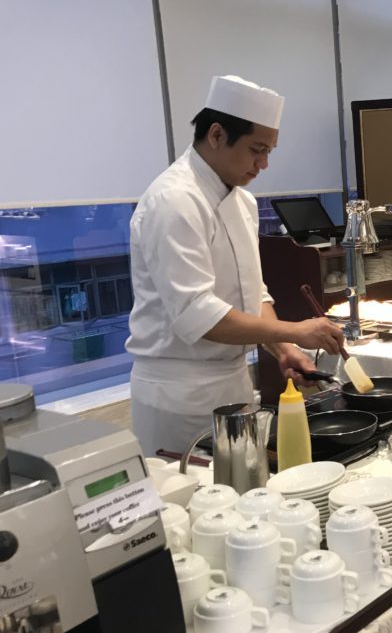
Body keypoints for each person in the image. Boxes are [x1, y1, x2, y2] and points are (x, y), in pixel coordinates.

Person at [127, 75, 345, 456]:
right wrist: (297, 329)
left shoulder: (243, 202)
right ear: (215, 134)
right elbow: (200, 316)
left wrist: (285, 347)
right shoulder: (174, 201)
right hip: (180, 395)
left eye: (270, 152)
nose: (263, 164)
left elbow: (251, 293)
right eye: (256, 149)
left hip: (234, 384)